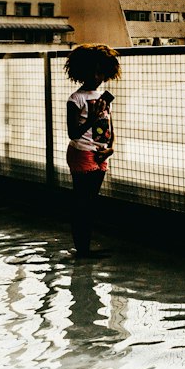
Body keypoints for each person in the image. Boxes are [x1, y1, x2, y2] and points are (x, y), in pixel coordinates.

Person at [64, 43, 121, 258]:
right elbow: (73, 133)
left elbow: (110, 127)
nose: (98, 76)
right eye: (95, 71)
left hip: (100, 154)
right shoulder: (75, 99)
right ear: (84, 72)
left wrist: (110, 149)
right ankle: (82, 249)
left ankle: (84, 248)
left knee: (89, 203)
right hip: (82, 153)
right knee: (83, 203)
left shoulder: (103, 98)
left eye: (101, 71)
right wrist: (91, 118)